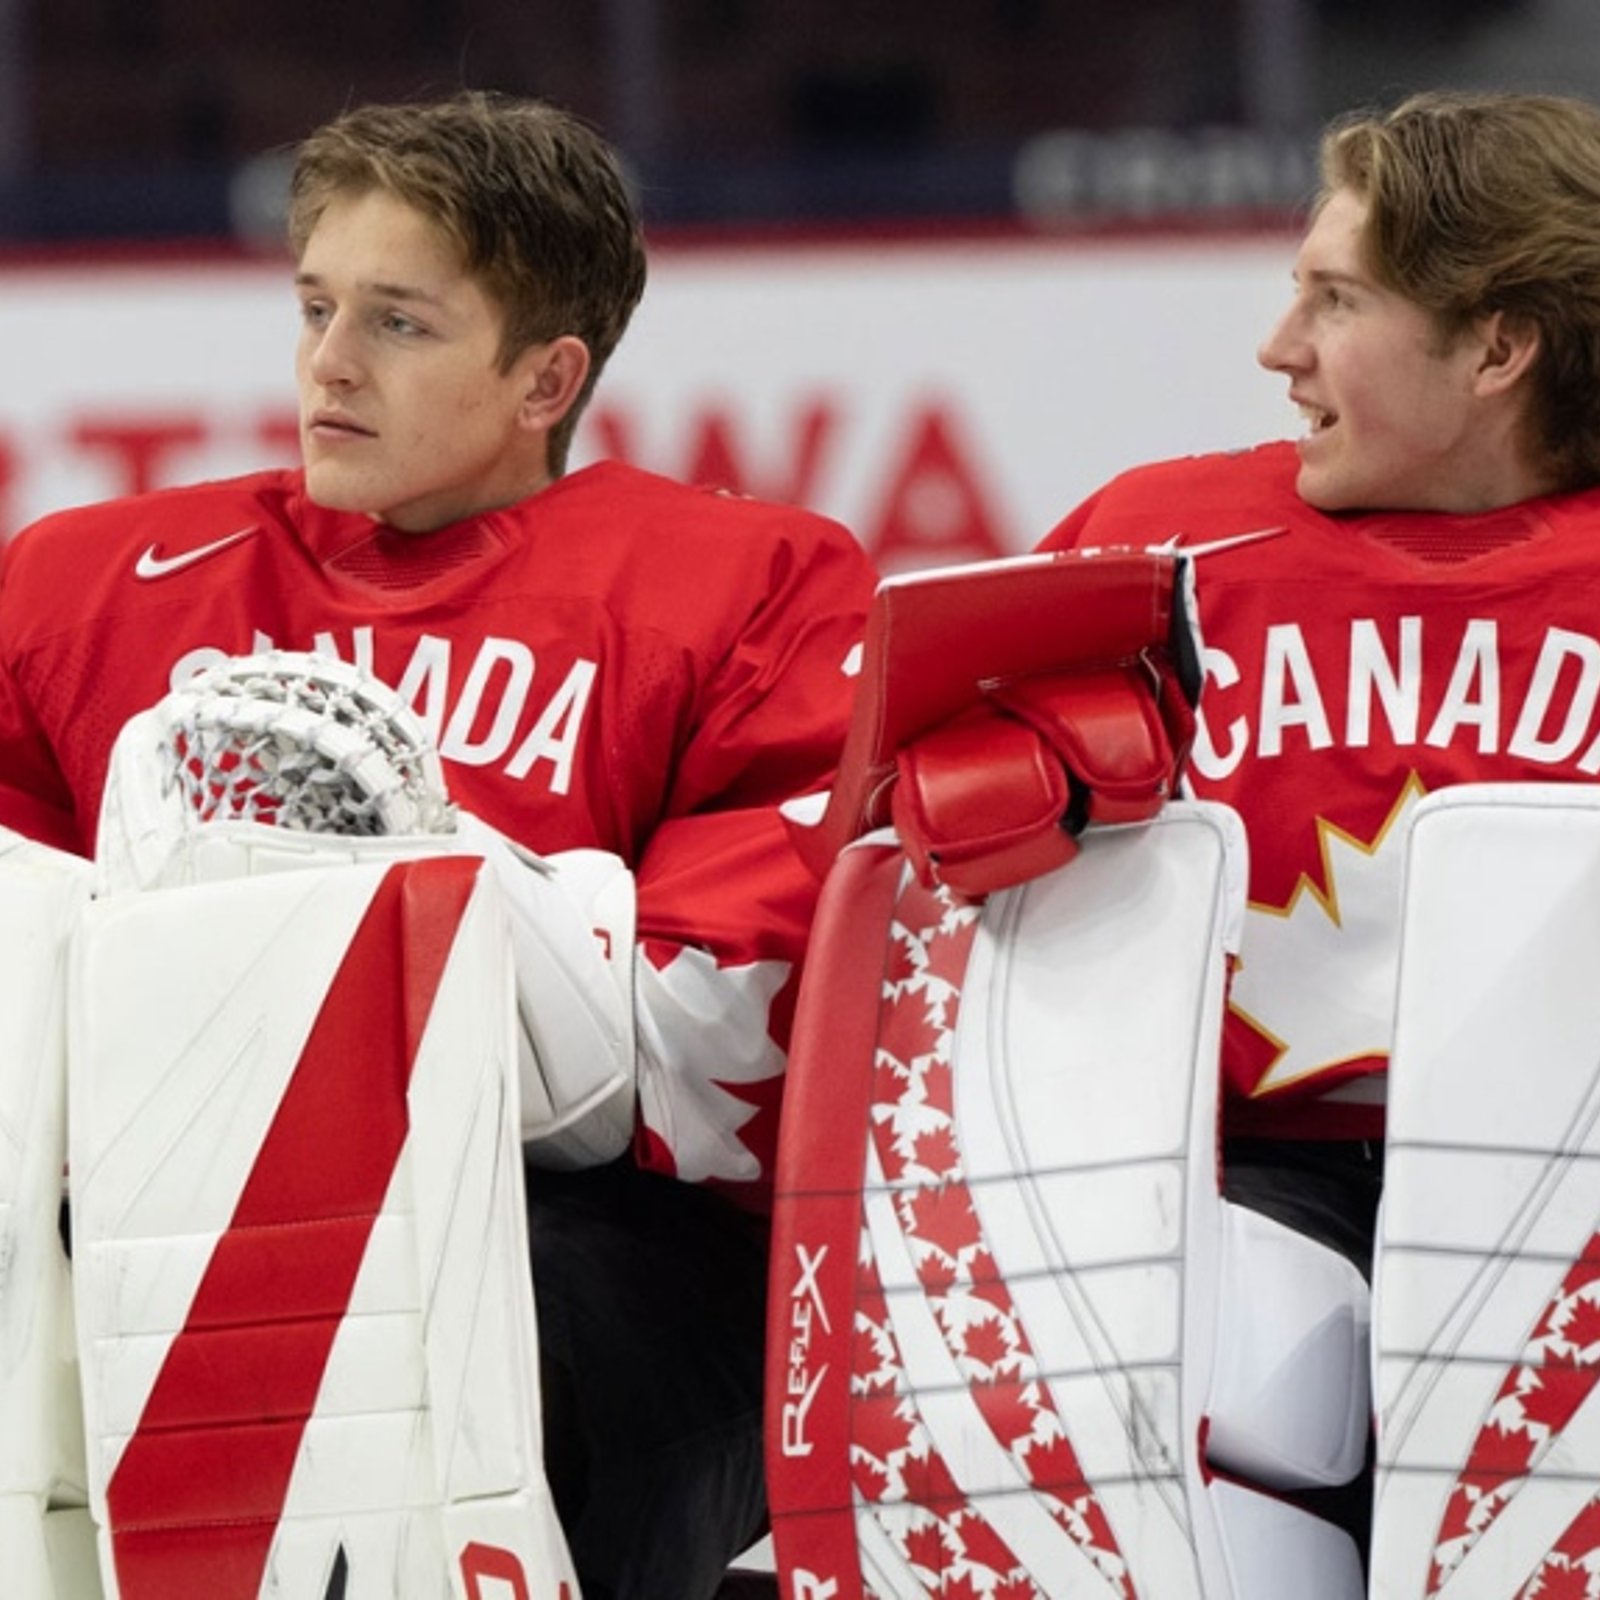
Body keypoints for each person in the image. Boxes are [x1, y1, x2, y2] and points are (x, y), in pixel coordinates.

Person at [0, 92, 876, 1597]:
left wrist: (348, 892)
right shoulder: (90, 585)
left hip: (586, 1247)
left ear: (548, 375)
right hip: (143, 1204)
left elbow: (714, 1044)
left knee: (478, 1344)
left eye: (399, 324)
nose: (328, 364)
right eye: (318, 306)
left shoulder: (750, 585)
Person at [1035, 87, 1600, 1275]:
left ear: (1497, 347)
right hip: (1227, 1195)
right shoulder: (1155, 550)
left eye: (1334, 301)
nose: (1277, 347)